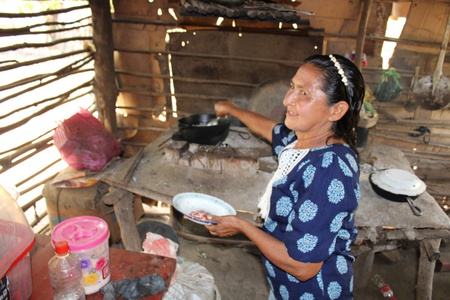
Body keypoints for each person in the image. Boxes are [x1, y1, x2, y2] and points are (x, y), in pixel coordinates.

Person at [205, 54, 365, 299]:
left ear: (336, 110)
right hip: (285, 289)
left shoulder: (329, 171)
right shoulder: (308, 139)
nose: (287, 99)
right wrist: (232, 109)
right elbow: (273, 130)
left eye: (303, 93)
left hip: (314, 292)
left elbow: (302, 267)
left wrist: (241, 226)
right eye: (292, 87)